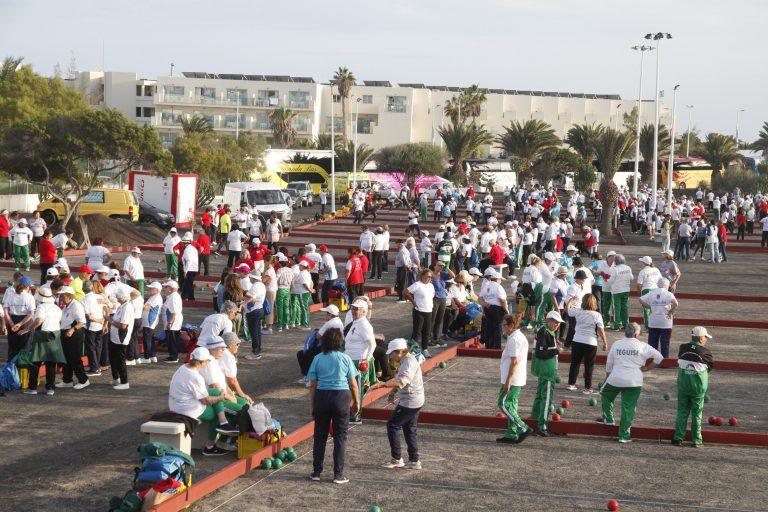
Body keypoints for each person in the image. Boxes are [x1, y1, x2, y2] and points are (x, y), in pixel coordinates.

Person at [308, 328, 361, 484]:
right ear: (340, 342)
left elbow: (312, 385)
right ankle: (338, 474)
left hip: (322, 397)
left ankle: (316, 472)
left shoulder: (317, 358)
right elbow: (353, 384)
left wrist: (312, 405)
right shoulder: (345, 358)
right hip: (341, 398)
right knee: (340, 437)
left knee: (320, 436)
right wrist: (356, 401)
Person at [596, 322, 664, 443]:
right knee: (628, 408)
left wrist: (607, 378)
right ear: (637, 334)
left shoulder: (617, 344)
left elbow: (609, 364)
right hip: (634, 380)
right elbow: (659, 357)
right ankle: (624, 436)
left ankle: (609, 418)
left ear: (625, 332)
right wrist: (647, 368)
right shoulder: (643, 346)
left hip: (616, 378)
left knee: (605, 394)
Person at [168, 346, 239, 457]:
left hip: (175, 404)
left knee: (214, 392)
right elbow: (205, 400)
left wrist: (217, 395)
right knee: (216, 410)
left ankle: (223, 423)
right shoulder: (195, 376)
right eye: (207, 361)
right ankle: (209, 446)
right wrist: (221, 398)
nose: (208, 364)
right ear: (202, 362)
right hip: (188, 409)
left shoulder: (183, 368)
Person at [369, 338, 425, 469]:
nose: (391, 356)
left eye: (392, 353)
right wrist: (393, 392)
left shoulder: (408, 362)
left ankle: (397, 458)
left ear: (399, 351)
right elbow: (399, 378)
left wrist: (382, 384)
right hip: (416, 399)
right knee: (409, 429)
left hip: (410, 401)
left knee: (392, 425)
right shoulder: (406, 360)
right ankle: (414, 460)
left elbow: (402, 381)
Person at [672, 326, 715, 448]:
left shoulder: (682, 348)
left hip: (683, 385)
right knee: (696, 414)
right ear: (701, 338)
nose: (706, 339)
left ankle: (678, 438)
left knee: (682, 412)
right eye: (705, 337)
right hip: (698, 387)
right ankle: (696, 441)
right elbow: (710, 367)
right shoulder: (705, 352)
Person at [495, 314, 533, 444]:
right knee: (511, 405)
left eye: (504, 325)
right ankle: (512, 433)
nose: (502, 327)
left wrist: (508, 381)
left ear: (511, 326)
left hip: (513, 379)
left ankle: (523, 427)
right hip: (516, 377)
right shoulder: (517, 337)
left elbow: (514, 362)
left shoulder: (514, 339)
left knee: (503, 404)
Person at [22, 287, 63, 396]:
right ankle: (50, 388)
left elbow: (39, 320)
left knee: (35, 362)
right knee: (51, 363)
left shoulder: (41, 307)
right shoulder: (57, 308)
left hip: (42, 334)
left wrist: (27, 329)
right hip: (55, 334)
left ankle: (33, 388)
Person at [531, 310, 564, 437]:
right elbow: (541, 353)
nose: (557, 325)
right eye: (555, 322)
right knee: (546, 399)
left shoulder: (547, 331)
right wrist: (556, 351)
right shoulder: (544, 332)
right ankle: (542, 426)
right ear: (548, 320)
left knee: (540, 396)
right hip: (547, 371)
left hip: (545, 370)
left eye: (558, 323)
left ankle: (534, 420)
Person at [344, 298, 377, 424]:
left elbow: (372, 344)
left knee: (358, 388)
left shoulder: (364, 325)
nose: (353, 311)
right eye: (353, 308)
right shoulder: (356, 322)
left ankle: (356, 415)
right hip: (350, 360)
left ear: (364, 311)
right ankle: (351, 412)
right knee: (351, 388)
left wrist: (366, 360)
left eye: (356, 309)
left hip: (358, 361)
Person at [566, 293, 607, 393]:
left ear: (583, 302)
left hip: (577, 340)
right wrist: (605, 342)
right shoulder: (597, 315)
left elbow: (567, 309)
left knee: (575, 363)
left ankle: (571, 384)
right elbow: (601, 330)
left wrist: (571, 300)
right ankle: (587, 388)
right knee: (589, 365)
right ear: (594, 303)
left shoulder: (578, 311)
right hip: (591, 342)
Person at [298, 304, 343, 384]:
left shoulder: (329, 323)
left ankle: (309, 377)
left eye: (326, 314)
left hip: (327, 347)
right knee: (308, 354)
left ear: (330, 315)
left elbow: (318, 336)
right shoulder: (339, 321)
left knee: (304, 354)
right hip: (335, 347)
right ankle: (308, 376)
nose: (325, 316)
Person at [55, 286, 89, 390]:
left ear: (69, 296)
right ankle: (67, 380)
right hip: (66, 333)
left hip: (75, 333)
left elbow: (82, 321)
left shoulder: (76, 306)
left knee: (75, 358)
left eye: (62, 296)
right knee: (66, 358)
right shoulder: (67, 305)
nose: (60, 298)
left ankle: (84, 380)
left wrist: (72, 330)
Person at [640, 277, 679, 357]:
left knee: (652, 343)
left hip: (654, 321)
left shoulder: (652, 293)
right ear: (667, 285)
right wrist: (670, 312)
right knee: (665, 343)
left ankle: (652, 360)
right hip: (665, 322)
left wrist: (649, 307)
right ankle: (664, 362)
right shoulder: (668, 294)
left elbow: (640, 299)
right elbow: (676, 304)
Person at [404, 269, 435, 357]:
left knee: (427, 331)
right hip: (419, 311)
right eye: (428, 276)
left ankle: (425, 349)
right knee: (417, 331)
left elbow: (432, 295)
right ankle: (412, 350)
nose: (429, 278)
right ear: (422, 276)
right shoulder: (417, 284)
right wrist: (413, 302)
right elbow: (405, 292)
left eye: (430, 277)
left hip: (429, 310)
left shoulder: (431, 285)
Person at [3, 276, 36, 362]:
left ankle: (11, 370)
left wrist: (11, 324)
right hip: (26, 322)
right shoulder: (29, 297)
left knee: (12, 347)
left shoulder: (10, 295)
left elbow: (6, 311)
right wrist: (20, 324)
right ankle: (23, 370)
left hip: (12, 320)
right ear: (27, 287)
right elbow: (31, 314)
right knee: (25, 348)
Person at [108, 289, 134, 390]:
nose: (116, 298)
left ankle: (125, 382)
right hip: (115, 337)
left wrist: (110, 320)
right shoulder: (121, 306)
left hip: (121, 338)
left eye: (118, 296)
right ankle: (116, 378)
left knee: (120, 360)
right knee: (113, 358)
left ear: (122, 297)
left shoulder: (127, 307)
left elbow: (123, 326)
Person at [479, 268, 509, 350]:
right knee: (497, 329)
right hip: (497, 309)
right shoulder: (498, 287)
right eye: (500, 279)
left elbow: (480, 298)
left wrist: (486, 304)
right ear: (497, 279)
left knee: (489, 328)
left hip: (488, 309)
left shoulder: (486, 286)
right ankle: (497, 348)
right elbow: (502, 300)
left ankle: (489, 346)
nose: (501, 281)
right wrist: (506, 310)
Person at [244, 270, 266, 360]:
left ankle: (255, 352)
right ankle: (257, 350)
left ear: (253, 278)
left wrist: (243, 303)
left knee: (254, 333)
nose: (249, 278)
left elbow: (252, 298)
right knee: (257, 332)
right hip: (259, 309)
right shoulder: (261, 285)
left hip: (254, 310)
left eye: (250, 277)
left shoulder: (255, 286)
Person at [607, 254, 633, 330]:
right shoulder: (628, 267)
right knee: (624, 308)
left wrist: (606, 280)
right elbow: (631, 278)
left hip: (617, 291)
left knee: (616, 309)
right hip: (626, 290)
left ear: (616, 261)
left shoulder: (615, 269)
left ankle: (616, 325)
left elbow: (611, 281)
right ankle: (625, 324)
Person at [139, 282, 163, 364]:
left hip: (149, 322)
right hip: (149, 322)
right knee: (151, 339)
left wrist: (136, 305)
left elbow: (146, 308)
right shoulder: (154, 297)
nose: (149, 290)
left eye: (151, 288)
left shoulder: (156, 298)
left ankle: (147, 357)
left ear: (157, 290)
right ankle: (152, 356)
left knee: (147, 340)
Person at [636, 256, 661, 330]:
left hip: (646, 290)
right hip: (656, 289)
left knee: (646, 309)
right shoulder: (656, 269)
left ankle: (648, 326)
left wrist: (639, 292)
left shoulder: (643, 271)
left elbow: (639, 284)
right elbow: (660, 280)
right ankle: (655, 325)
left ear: (644, 263)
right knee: (655, 308)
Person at [162, 280, 184, 363]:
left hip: (173, 321)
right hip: (174, 320)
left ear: (171, 288)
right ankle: (173, 356)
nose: (165, 289)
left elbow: (173, 312)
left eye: (166, 287)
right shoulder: (173, 296)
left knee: (172, 339)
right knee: (172, 339)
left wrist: (170, 323)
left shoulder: (173, 297)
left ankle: (173, 357)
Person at [291, 260, 314, 330]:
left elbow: (304, 283)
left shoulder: (302, 273)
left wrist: (310, 290)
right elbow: (311, 282)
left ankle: (306, 325)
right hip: (304, 292)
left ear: (302, 266)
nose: (299, 267)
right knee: (303, 308)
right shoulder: (306, 273)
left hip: (303, 292)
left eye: (300, 266)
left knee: (304, 309)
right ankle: (303, 323)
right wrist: (310, 289)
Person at [180, 234, 200, 300]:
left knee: (189, 284)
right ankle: (183, 297)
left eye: (182, 243)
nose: (182, 244)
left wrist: (185, 271)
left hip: (190, 269)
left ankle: (191, 298)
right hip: (194, 269)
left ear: (185, 243)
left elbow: (189, 260)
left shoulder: (187, 250)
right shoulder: (193, 248)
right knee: (187, 283)